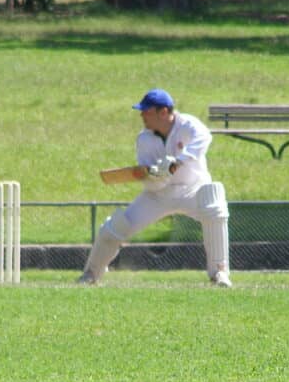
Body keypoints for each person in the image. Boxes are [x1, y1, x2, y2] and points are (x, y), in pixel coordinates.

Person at [79, 88, 231, 287]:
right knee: (115, 227)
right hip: (158, 195)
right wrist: (159, 176)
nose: (142, 116)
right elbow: (149, 180)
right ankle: (91, 273)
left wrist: (177, 162)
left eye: (147, 111)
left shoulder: (187, 124)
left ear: (164, 112)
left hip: (192, 189)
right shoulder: (144, 139)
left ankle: (219, 272)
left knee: (214, 204)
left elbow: (204, 138)